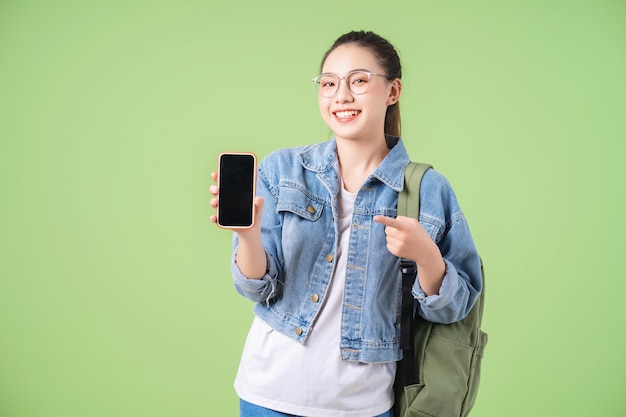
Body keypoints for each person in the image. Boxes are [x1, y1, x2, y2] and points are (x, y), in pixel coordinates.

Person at [209, 30, 482, 417]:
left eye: (359, 81)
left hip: (361, 404)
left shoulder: (428, 190)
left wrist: (427, 257)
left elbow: (455, 307)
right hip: (267, 393)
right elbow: (256, 288)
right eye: (329, 83)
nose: (341, 96)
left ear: (393, 91)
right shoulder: (282, 170)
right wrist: (247, 235)